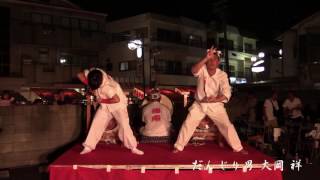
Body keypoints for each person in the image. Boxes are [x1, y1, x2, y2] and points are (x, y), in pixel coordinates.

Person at [173, 47, 247, 154]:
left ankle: (238, 148)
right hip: (200, 104)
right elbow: (193, 70)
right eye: (210, 60)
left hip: (216, 105)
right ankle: (179, 146)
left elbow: (227, 93)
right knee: (188, 123)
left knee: (226, 125)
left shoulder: (222, 75)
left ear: (218, 62)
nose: (212, 62)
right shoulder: (202, 69)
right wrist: (205, 58)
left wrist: (216, 99)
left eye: (214, 60)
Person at [77, 68, 144, 155]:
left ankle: (133, 147)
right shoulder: (93, 74)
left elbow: (116, 99)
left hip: (118, 106)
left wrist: (102, 101)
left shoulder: (107, 87)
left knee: (124, 125)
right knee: (96, 123)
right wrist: (88, 83)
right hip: (105, 106)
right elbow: (79, 75)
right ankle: (88, 146)